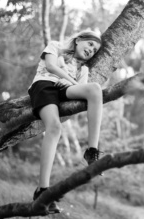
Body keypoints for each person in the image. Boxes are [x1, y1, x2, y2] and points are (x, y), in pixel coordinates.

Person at [28, 30, 103, 213]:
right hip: (45, 85)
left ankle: (92, 151)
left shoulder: (83, 69)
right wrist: (70, 80)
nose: (91, 50)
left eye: (94, 51)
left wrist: (72, 84)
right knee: (54, 128)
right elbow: (52, 67)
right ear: (78, 40)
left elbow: (82, 91)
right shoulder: (55, 46)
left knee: (94, 89)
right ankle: (42, 191)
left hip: (64, 90)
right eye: (90, 44)